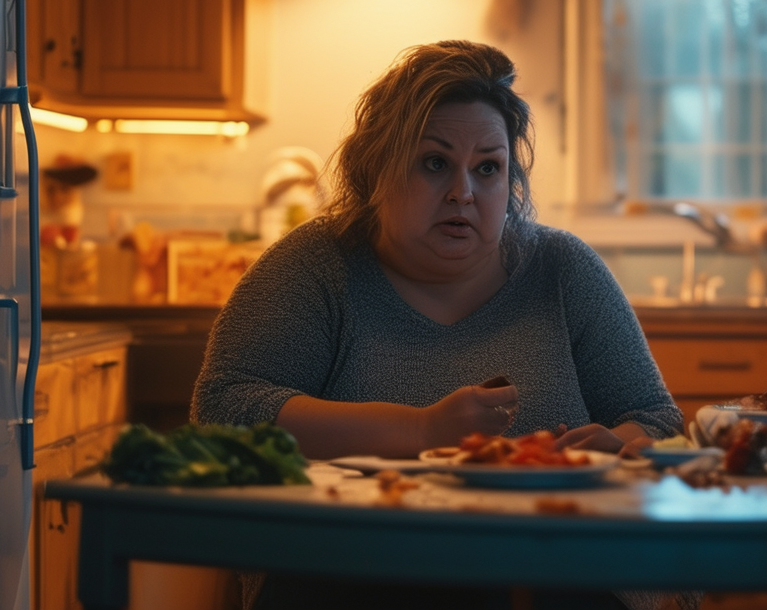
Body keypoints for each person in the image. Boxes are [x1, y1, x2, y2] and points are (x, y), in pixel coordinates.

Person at [191, 40, 690, 610]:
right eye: (434, 163)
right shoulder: (314, 266)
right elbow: (224, 409)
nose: (463, 192)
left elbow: (655, 420)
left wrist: (620, 443)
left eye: (487, 168)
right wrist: (419, 432)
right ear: (376, 168)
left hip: (553, 569)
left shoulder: (563, 270)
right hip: (347, 568)